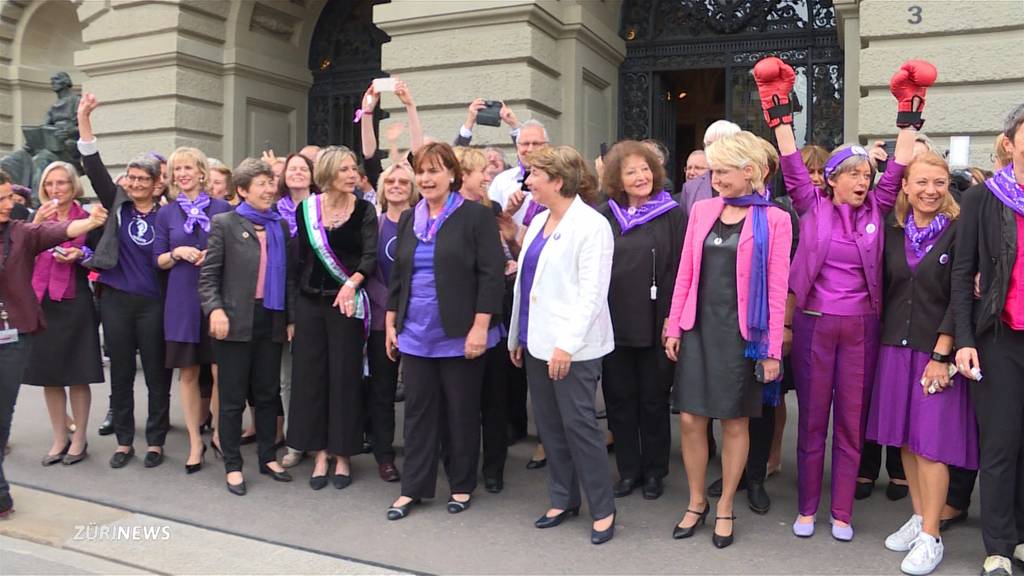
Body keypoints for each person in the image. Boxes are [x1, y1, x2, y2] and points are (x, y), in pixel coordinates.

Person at [754, 56, 931, 540]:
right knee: (812, 422)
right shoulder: (810, 206)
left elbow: (898, 163)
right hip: (814, 324)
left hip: (861, 330)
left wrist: (910, 109)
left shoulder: (877, 205)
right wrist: (779, 110)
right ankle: (808, 508)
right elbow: (790, 164)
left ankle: (843, 513)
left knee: (851, 424)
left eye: (865, 176)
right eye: (851, 174)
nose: (862, 181)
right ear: (830, 179)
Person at [664, 131, 791, 548]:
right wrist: (672, 325)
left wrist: (772, 350)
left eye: (721, 171)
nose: (713, 178)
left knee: (735, 422)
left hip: (743, 337)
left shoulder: (775, 219)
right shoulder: (701, 211)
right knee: (689, 419)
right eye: (713, 170)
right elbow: (685, 270)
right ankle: (697, 501)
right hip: (698, 329)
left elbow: (776, 288)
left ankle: (725, 506)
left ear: (749, 171)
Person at [864, 151, 976, 575]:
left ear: (948, 187)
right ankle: (917, 516)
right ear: (906, 187)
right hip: (895, 347)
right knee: (906, 441)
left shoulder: (958, 231)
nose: (931, 191)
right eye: (922, 183)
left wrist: (942, 353)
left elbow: (961, 294)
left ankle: (932, 536)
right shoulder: (892, 233)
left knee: (932, 446)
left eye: (939, 183)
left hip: (935, 354)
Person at [384, 142, 504, 520]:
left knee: (461, 412)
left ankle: (462, 484)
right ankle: (413, 489)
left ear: (452, 174)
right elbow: (399, 275)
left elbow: (490, 276)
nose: (426, 178)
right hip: (415, 331)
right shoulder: (409, 218)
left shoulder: (474, 216)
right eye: (421, 171)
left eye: (434, 170)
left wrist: (480, 327)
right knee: (418, 414)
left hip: (459, 331)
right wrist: (391, 320)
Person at [507, 145, 616, 544]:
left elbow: (592, 294)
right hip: (537, 342)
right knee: (549, 427)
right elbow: (527, 282)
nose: (528, 181)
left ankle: (603, 509)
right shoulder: (538, 222)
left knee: (581, 428)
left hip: (573, 348)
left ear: (556, 180)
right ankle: (562, 498)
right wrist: (519, 333)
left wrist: (566, 345)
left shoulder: (592, 225)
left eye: (534, 174)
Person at [0, 171, 108, 517]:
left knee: (2, 416)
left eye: (10, 198)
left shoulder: (20, 232)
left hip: (14, 335)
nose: (9, 204)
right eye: (1, 199)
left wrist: (90, 221)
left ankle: (1, 496)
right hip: (27, 319)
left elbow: (59, 230)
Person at [76, 94, 173, 469]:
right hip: (116, 300)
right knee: (120, 372)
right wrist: (84, 118)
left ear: (155, 185)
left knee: (155, 373)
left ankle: (156, 440)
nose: (132, 183)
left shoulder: (167, 217)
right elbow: (92, 162)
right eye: (130, 178)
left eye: (140, 179)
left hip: (154, 303)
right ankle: (123, 440)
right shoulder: (117, 203)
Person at [952, 102, 1024, 576]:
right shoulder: (984, 199)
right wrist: (962, 338)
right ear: (1010, 144)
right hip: (999, 336)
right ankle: (998, 544)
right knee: (1001, 443)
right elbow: (962, 274)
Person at [596, 140, 684, 501]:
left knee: (652, 400)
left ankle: (654, 472)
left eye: (645, 169)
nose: (640, 176)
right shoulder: (604, 216)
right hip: (613, 325)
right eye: (631, 171)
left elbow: (682, 270)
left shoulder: (673, 214)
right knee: (618, 399)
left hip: (656, 324)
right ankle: (629, 470)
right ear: (617, 177)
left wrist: (673, 320)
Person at [200, 158, 292, 496]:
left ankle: (268, 456)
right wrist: (215, 310)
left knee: (267, 394)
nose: (270, 189)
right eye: (262, 184)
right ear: (242, 190)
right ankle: (233, 465)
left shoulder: (279, 226)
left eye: (271, 182)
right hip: (234, 320)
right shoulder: (224, 223)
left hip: (271, 317)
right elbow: (208, 277)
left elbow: (289, 279)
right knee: (233, 397)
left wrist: (290, 319)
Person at [288, 145, 377, 490]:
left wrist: (352, 285)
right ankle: (321, 452)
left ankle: (343, 455)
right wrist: (293, 314)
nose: (352, 174)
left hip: (346, 304)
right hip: (311, 304)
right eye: (344, 169)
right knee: (312, 379)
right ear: (327, 173)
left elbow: (370, 256)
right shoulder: (306, 210)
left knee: (344, 378)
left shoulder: (365, 210)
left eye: (354, 168)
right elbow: (299, 263)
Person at [154, 146, 232, 473]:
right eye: (177, 170)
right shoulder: (166, 213)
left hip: (216, 299)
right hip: (181, 299)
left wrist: (210, 256)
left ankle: (216, 432)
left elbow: (235, 253)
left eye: (188, 168)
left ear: (202, 172)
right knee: (187, 372)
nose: (182, 174)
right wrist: (178, 252)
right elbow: (158, 260)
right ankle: (194, 441)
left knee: (218, 370)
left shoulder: (224, 208)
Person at [25, 161, 104, 466]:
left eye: (62, 183)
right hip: (42, 301)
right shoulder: (38, 217)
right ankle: (60, 436)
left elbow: (102, 258)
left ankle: (80, 437)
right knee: (50, 375)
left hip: (74, 301)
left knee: (77, 373)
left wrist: (80, 256)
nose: (55, 189)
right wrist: (35, 223)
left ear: (74, 187)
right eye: (49, 184)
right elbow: (21, 255)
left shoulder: (88, 218)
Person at [455, 145, 515, 492]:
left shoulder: (490, 209)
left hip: (490, 316)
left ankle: (494, 468)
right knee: (462, 401)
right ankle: (459, 463)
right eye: (482, 172)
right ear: (463, 175)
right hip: (453, 317)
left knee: (494, 399)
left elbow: (496, 263)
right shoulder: (441, 211)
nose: (489, 177)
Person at [363, 162, 417, 483]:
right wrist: (391, 306)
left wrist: (406, 307)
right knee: (382, 390)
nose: (396, 185)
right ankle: (385, 455)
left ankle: (419, 449)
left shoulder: (422, 225)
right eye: (391, 181)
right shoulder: (375, 224)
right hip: (383, 322)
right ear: (383, 189)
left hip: (417, 320)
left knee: (418, 390)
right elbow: (367, 270)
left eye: (404, 181)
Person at [275, 152, 318, 469]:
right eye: (293, 169)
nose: (298, 173)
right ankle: (294, 440)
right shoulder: (273, 213)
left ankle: (317, 440)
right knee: (288, 378)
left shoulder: (322, 208)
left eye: (304, 169)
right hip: (282, 300)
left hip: (317, 301)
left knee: (316, 377)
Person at [677, 120, 742, 216]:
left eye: (719, 144)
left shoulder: (747, 182)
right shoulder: (690, 188)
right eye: (708, 144)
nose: (711, 150)